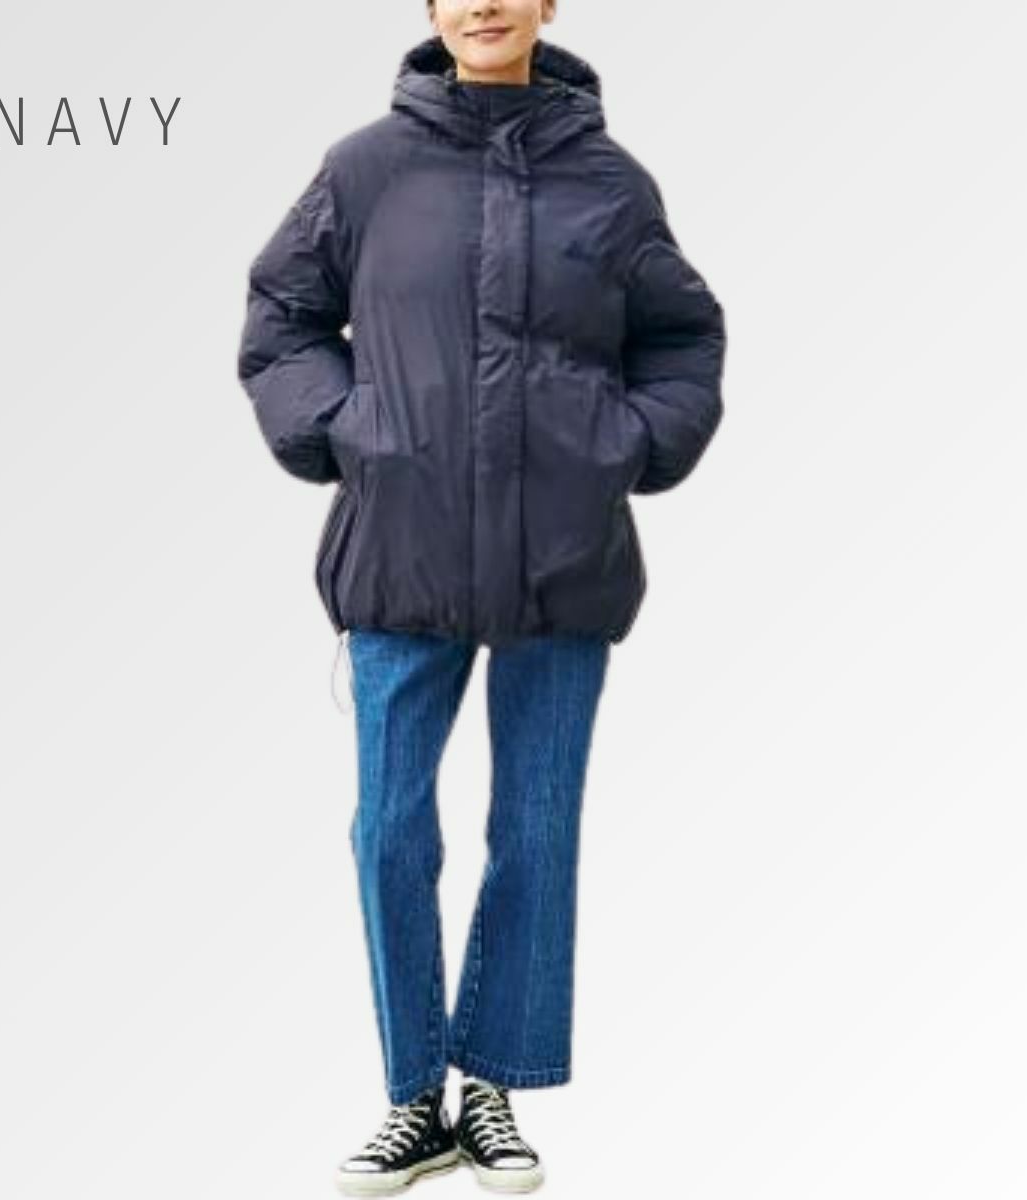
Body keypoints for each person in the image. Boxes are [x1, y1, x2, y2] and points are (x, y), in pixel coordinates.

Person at [236, 1, 726, 1193]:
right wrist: (349, 430)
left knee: (536, 830)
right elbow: (282, 318)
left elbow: (683, 338)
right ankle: (414, 1099)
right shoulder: (364, 170)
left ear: (549, 4)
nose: (485, 3)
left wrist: (625, 445)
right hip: (400, 552)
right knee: (390, 830)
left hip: (563, 557)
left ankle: (492, 1089)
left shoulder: (611, 182)